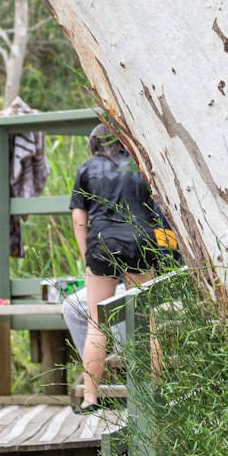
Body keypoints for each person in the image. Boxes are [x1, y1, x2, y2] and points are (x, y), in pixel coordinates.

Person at [69, 125, 160, 412]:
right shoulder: (141, 165)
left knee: (98, 323)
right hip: (140, 240)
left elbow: (78, 221)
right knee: (147, 322)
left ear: (94, 143)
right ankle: (152, 393)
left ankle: (90, 399)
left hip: (103, 243)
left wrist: (89, 256)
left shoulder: (87, 168)